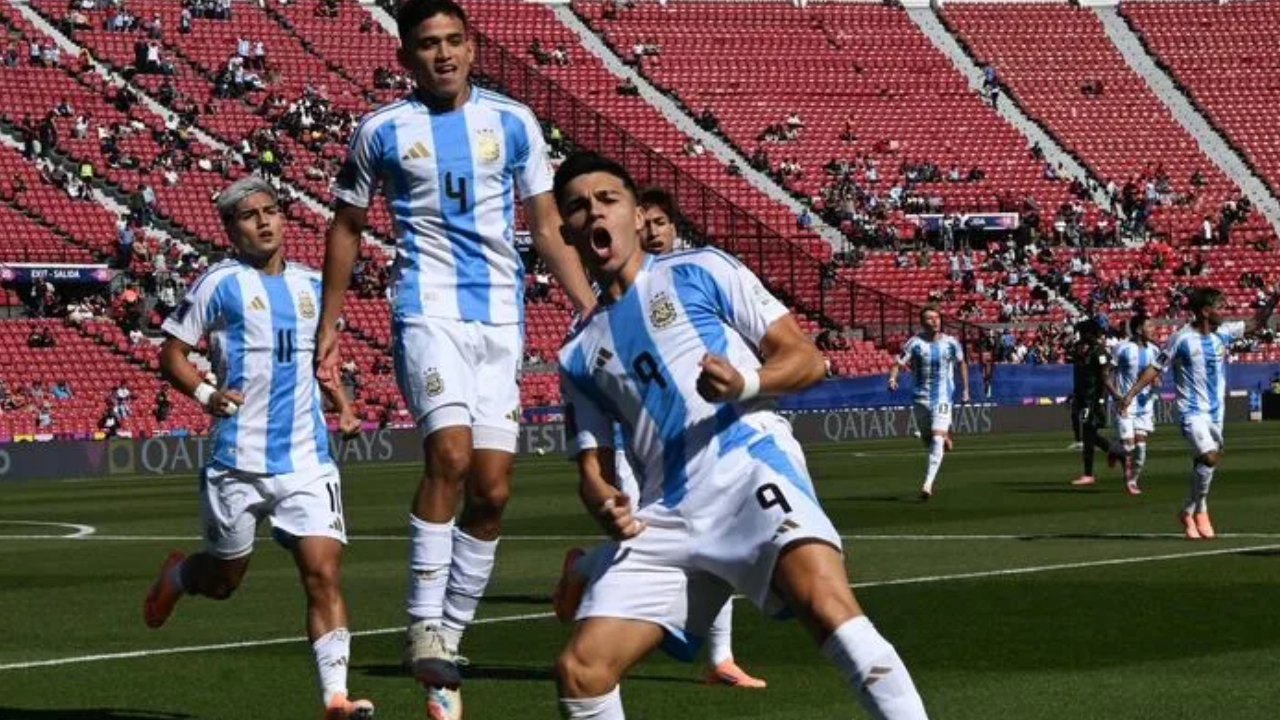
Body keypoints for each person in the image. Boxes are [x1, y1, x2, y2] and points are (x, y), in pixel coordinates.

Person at [549, 151, 929, 720]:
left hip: (747, 466)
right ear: (567, 233)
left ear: (636, 213)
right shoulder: (577, 354)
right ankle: (593, 567)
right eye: (579, 208)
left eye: (608, 199)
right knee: (581, 671)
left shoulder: (701, 269)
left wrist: (746, 382)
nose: (596, 213)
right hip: (665, 514)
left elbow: (805, 359)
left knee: (826, 605)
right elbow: (593, 470)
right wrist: (604, 500)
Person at [317, 1, 595, 716]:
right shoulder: (382, 130)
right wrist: (330, 323)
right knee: (450, 454)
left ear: (472, 48)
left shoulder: (515, 122)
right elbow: (346, 226)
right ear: (406, 57)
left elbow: (544, 225)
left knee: (493, 491)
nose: (442, 54)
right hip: (427, 311)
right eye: (426, 45)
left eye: (452, 41)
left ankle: (447, 650)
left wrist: (591, 307)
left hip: (501, 321)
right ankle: (421, 625)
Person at [143, 176, 373, 720]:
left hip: (307, 458)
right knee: (224, 581)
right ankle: (180, 576)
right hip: (238, 461)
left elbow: (324, 359)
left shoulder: (314, 285)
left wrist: (342, 404)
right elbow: (171, 354)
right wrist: (207, 393)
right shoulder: (218, 283)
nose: (264, 221)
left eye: (271, 210)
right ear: (230, 229)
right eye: (249, 215)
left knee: (323, 571)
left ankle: (335, 697)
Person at [554, 186, 764, 689]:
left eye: (660, 223)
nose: (652, 232)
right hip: (639, 449)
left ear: (674, 229)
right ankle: (591, 580)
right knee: (648, 533)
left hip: (705, 437)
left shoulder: (696, 278)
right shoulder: (606, 311)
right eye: (644, 223)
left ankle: (720, 656)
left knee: (720, 531)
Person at [1121, 286, 1279, 539]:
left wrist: (1274, 298)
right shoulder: (1181, 339)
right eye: (1220, 307)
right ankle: (1201, 510)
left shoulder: (1223, 333)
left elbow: (1255, 322)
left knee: (1203, 461)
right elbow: (1155, 367)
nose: (1224, 312)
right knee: (1209, 457)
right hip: (1191, 411)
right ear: (1205, 311)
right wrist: (1130, 394)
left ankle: (1189, 510)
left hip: (1216, 413)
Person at [887, 307, 969, 500]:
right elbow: (898, 363)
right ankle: (944, 435)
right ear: (922, 323)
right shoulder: (915, 343)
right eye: (929, 318)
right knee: (928, 440)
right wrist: (892, 379)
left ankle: (928, 484)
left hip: (943, 397)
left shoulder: (951, 343)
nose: (934, 321)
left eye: (937, 317)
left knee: (936, 438)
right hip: (920, 398)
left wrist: (966, 390)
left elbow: (961, 363)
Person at [1068, 321, 1125, 487]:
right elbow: (1081, 376)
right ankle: (1118, 453)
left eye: (1083, 333)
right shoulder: (1081, 350)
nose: (1080, 336)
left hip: (1094, 399)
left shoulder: (1100, 352)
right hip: (1083, 398)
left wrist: (1103, 398)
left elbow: (1104, 377)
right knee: (1090, 435)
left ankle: (1088, 474)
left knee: (1088, 434)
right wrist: (1074, 393)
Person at [1110, 314, 1159, 495]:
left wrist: (1156, 380)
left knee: (1141, 449)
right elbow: (1106, 373)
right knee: (1129, 446)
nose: (1153, 329)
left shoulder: (1154, 350)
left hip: (1145, 405)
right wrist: (1116, 395)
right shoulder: (1122, 348)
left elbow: (1155, 374)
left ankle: (1133, 480)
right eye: (1149, 326)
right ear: (1139, 329)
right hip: (1125, 403)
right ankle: (1115, 451)